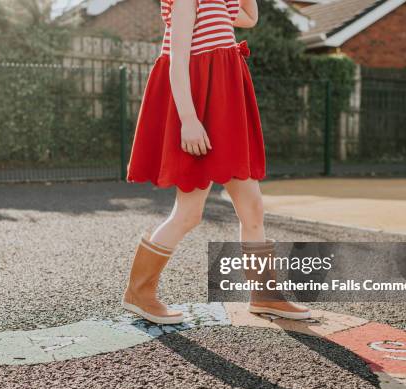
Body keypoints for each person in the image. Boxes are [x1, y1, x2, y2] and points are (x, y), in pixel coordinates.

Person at [122, 0, 311, 324]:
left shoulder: (222, 3)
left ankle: (264, 295)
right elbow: (177, 62)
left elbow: (250, 17)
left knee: (251, 207)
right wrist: (189, 121)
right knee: (188, 213)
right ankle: (139, 292)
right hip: (198, 109)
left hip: (224, 110)